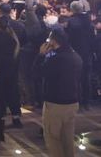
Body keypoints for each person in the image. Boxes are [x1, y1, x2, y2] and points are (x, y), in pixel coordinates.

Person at [35, 29, 82, 157]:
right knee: (68, 139)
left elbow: (37, 73)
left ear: (53, 40)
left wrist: (41, 55)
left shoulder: (55, 59)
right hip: (72, 101)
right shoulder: (75, 55)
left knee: (53, 139)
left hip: (55, 104)